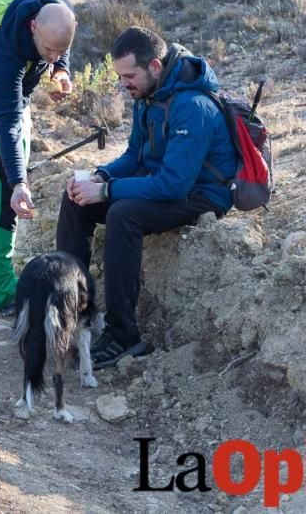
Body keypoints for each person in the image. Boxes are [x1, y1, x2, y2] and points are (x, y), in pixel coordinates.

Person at [56, 26, 237, 369]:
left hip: (202, 194)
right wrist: (101, 176)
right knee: (76, 199)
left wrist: (107, 191)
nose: (124, 85)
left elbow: (174, 185)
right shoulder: (148, 97)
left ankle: (125, 335)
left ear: (155, 66)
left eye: (129, 76)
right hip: (165, 182)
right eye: (120, 77)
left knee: (123, 214)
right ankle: (70, 309)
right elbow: (134, 157)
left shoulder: (193, 106)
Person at [0, 0, 76, 313]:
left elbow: (60, 48)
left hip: (14, 103)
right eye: (48, 50)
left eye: (60, 51)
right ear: (33, 26)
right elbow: (7, 124)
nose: (52, 57)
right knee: (6, 186)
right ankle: (3, 292)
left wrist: (62, 69)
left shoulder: (56, 13)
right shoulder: (5, 52)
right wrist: (20, 182)